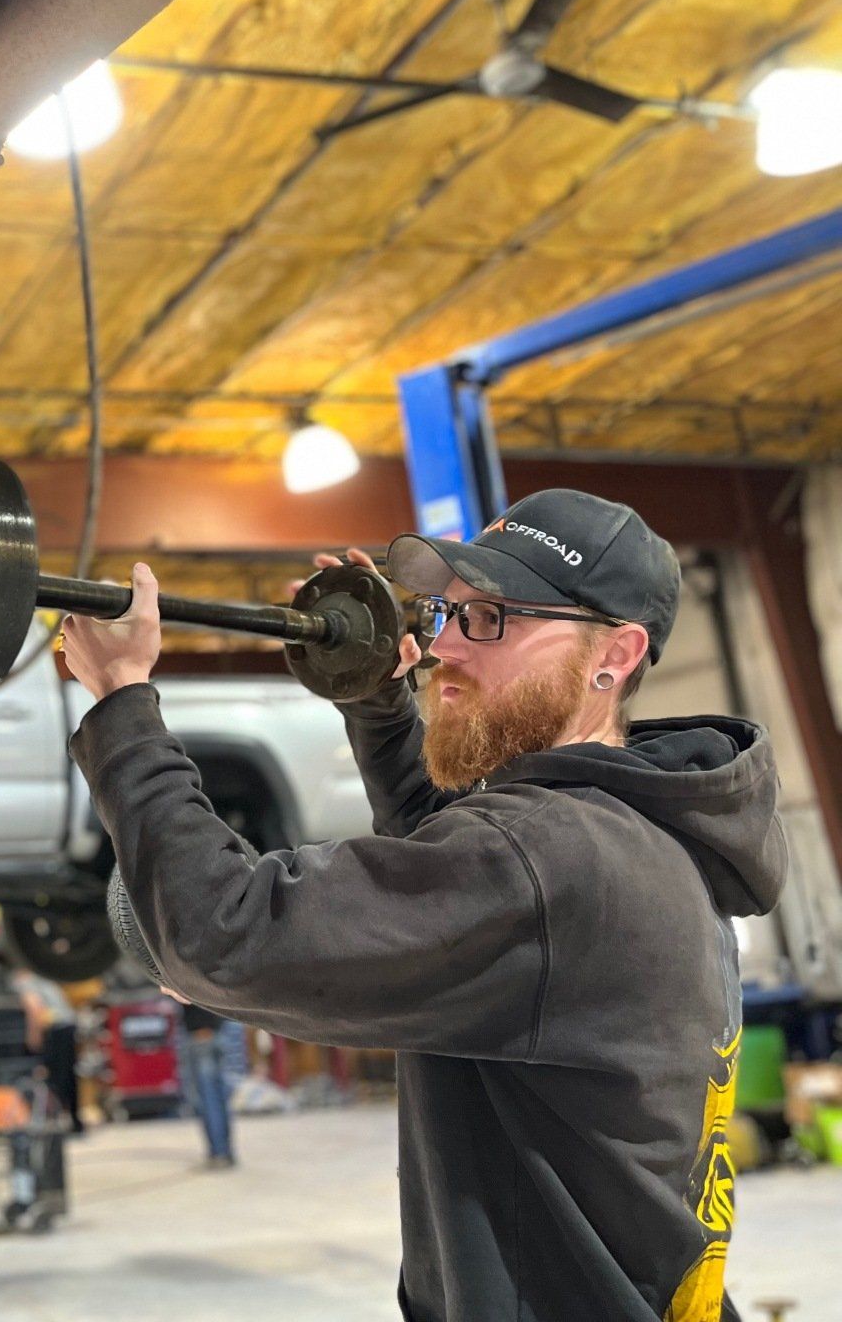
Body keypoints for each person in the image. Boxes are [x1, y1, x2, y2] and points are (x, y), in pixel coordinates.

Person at [61, 489, 785, 1322]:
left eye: (492, 620)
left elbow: (223, 934)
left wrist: (121, 701)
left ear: (613, 654)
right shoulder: (646, 830)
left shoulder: (549, 860)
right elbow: (456, 870)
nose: (442, 646)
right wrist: (376, 705)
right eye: (448, 612)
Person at [10, 967, 84, 1135]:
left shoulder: (24, 982)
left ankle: (55, 1122)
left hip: (55, 1029)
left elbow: (34, 1009)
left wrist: (33, 1040)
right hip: (68, 1025)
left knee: (54, 1077)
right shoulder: (44, 976)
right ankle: (74, 1120)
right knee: (68, 1076)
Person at [176, 999, 241, 1168]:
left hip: (202, 1034)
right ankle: (223, 1151)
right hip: (214, 1029)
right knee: (217, 1098)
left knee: (209, 1098)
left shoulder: (189, 973)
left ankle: (219, 1152)